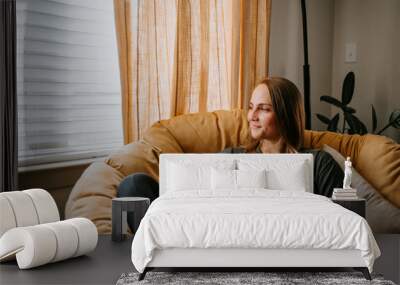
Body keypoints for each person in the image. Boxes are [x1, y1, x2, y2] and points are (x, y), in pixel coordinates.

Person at [118, 77, 344, 230]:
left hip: (288, 242)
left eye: (263, 109)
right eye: (250, 106)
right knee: (134, 185)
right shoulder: (232, 157)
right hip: (213, 232)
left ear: (285, 115)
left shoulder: (319, 163)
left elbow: (341, 220)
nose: (252, 115)